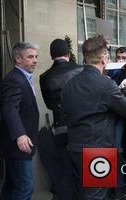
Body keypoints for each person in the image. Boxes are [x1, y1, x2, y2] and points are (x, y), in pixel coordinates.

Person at [61, 35, 126, 200]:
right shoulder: (106, 84)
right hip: (98, 149)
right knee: (97, 195)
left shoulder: (70, 83)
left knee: (82, 194)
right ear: (105, 58)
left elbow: (65, 115)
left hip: (74, 146)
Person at [39, 38, 84, 200]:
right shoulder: (81, 70)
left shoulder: (44, 77)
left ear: (52, 56)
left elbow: (49, 104)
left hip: (60, 128)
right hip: (80, 127)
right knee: (83, 171)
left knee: (64, 171)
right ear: (68, 53)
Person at [0, 42, 39, 200]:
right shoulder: (15, 79)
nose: (35, 60)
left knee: (11, 186)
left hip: (18, 144)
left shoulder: (23, 77)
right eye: (30, 57)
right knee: (25, 188)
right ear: (18, 59)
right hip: (18, 144)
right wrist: (20, 135)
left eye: (36, 57)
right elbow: (10, 109)